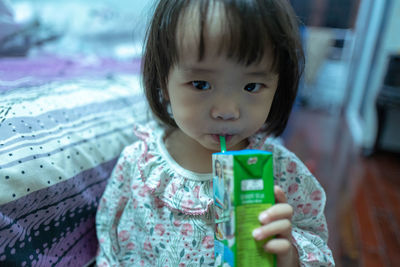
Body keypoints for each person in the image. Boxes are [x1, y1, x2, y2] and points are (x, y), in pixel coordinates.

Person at [95, 0, 335, 266]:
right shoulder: (138, 164)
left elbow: (317, 246)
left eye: (252, 86)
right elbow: (110, 242)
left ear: (278, 86)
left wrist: (289, 257)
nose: (227, 111)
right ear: (163, 80)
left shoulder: (284, 173)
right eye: (201, 84)